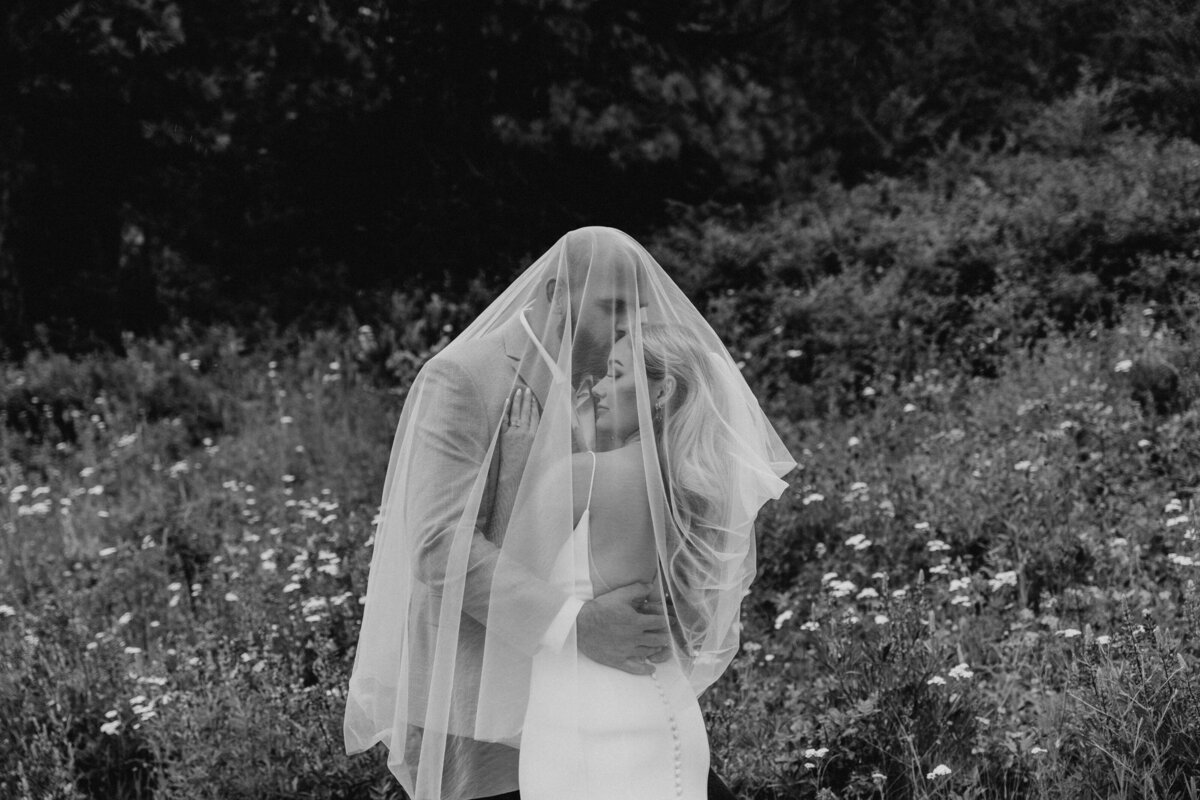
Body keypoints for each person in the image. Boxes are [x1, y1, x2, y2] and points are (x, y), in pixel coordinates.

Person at [345, 227, 795, 799]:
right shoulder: (464, 376)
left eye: (634, 311)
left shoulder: (615, 383)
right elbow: (439, 544)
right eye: (613, 308)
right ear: (558, 293)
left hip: (603, 701)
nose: (627, 328)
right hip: (482, 700)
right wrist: (575, 624)